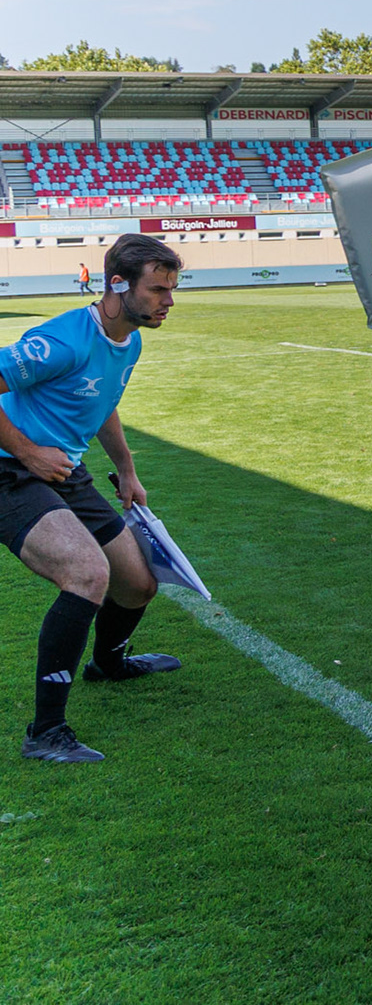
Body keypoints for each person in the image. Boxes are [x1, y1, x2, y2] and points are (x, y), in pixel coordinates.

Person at [14, 234, 183, 763]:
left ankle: (108, 663)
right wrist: (28, 453)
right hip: (11, 471)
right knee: (87, 576)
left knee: (138, 584)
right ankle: (45, 732)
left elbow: (103, 401)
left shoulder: (128, 340)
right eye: (158, 290)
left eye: (173, 289)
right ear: (117, 284)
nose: (169, 302)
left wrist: (127, 470)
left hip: (67, 469)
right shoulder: (62, 340)